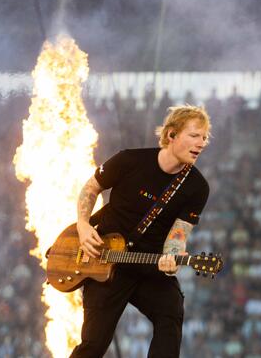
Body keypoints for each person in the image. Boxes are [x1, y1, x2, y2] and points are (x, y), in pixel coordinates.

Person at [71, 104, 212, 357]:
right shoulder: (129, 160)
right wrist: (82, 226)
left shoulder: (197, 187)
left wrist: (173, 257)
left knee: (171, 311)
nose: (201, 143)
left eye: (204, 137)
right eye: (194, 135)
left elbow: (179, 234)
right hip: (105, 262)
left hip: (148, 265)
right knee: (93, 344)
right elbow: (90, 189)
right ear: (171, 135)